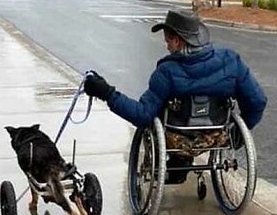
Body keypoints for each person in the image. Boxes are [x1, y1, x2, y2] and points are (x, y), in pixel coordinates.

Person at [83, 9, 267, 132]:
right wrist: (236, 135)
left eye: (168, 39)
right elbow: (257, 101)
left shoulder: (166, 72)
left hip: (178, 137)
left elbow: (143, 115)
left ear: (178, 41)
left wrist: (107, 93)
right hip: (217, 133)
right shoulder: (231, 60)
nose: (166, 43)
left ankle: (178, 165)